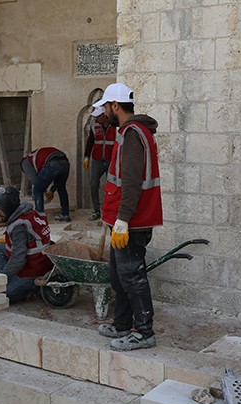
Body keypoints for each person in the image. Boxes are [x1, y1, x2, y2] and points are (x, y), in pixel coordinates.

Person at [92, 83, 163, 351]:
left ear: (115, 106)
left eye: (106, 107)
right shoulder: (132, 131)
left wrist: (122, 220)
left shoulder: (133, 134)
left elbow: (132, 182)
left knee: (132, 276)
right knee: (119, 274)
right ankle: (122, 323)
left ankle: (144, 332)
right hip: (125, 219)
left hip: (131, 222)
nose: (105, 114)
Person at [0, 186, 54, 304]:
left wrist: (1, 279)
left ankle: (31, 287)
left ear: (8, 206)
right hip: (43, 261)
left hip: (33, 272)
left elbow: (18, 260)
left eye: (0, 208)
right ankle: (15, 283)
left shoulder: (18, 227)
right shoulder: (30, 213)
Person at [83, 106, 117, 221]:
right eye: (96, 116)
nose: (97, 118)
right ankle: (96, 210)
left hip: (111, 160)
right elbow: (90, 141)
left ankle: (110, 211)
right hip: (97, 159)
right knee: (93, 184)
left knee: (111, 187)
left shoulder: (114, 124)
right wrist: (86, 157)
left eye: (99, 116)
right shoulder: (94, 124)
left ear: (105, 115)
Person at [21, 147, 71, 222]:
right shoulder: (38, 157)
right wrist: (51, 191)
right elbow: (56, 177)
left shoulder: (24, 162)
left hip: (52, 162)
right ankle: (65, 214)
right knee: (61, 188)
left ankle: (39, 217)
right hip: (65, 162)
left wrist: (43, 191)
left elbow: (34, 179)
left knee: (37, 189)